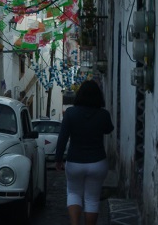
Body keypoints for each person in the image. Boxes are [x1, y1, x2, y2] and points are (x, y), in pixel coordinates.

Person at [55, 79, 114, 225]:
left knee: (73, 193)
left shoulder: (70, 113)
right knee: (92, 199)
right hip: (97, 162)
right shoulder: (103, 114)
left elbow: (62, 138)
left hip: (75, 162)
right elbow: (109, 129)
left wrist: (58, 159)